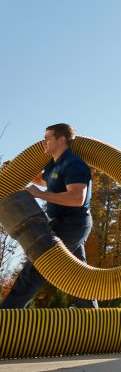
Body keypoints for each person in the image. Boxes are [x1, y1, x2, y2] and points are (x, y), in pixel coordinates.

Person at [0, 123, 98, 309]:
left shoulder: (74, 164)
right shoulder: (55, 164)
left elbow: (77, 198)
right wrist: (15, 169)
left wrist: (40, 194)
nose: (43, 142)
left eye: (47, 138)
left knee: (37, 266)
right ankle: (94, 320)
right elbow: (43, 180)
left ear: (61, 140)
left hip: (74, 223)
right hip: (59, 222)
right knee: (78, 275)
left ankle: (6, 315)